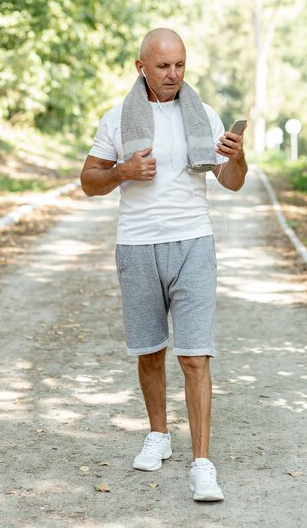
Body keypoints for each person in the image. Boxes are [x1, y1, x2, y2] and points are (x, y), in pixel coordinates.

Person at [80, 28, 247, 502]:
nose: (173, 75)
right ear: (141, 68)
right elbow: (88, 181)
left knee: (195, 356)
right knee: (150, 351)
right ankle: (158, 434)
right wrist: (122, 172)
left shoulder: (205, 115)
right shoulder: (117, 119)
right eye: (162, 66)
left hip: (194, 241)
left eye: (180, 65)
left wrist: (238, 157)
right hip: (137, 246)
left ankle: (202, 464)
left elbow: (231, 182)